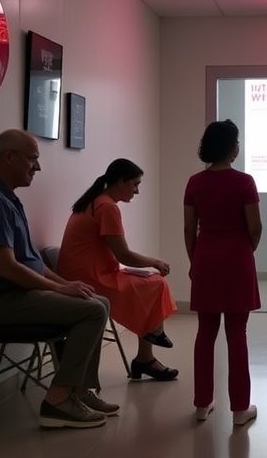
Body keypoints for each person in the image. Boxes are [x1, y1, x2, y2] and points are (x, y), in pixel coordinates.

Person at [0, 129, 119, 429]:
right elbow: (7, 268)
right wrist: (60, 289)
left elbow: (33, 263)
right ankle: (58, 401)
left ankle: (79, 390)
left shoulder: (8, 199)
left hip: (19, 295)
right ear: (9, 157)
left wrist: (66, 286)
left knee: (98, 301)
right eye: (32, 159)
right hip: (0, 302)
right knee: (93, 310)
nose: (37, 167)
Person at [57, 159, 178, 381]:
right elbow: (124, 255)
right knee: (156, 282)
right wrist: (156, 262)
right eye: (135, 184)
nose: (137, 191)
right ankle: (150, 344)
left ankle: (149, 347)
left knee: (150, 284)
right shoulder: (107, 207)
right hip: (90, 280)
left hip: (81, 274)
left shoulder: (95, 201)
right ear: (121, 182)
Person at [183, 119, 262, 426]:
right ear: (231, 148)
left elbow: (189, 228)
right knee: (237, 333)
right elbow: (255, 226)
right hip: (237, 258)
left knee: (205, 332)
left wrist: (195, 260)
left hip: (205, 257)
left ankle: (202, 404)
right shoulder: (245, 182)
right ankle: (240, 409)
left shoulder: (194, 182)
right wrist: (245, 249)